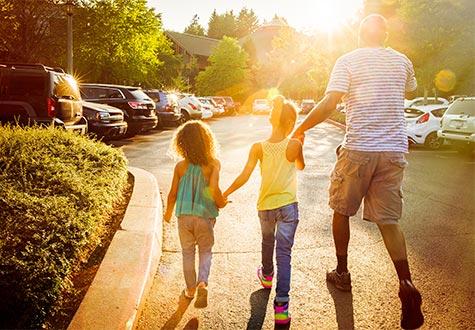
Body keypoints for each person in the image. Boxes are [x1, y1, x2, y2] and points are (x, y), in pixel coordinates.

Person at [293, 14, 424, 330]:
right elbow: (408, 91)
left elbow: (329, 103)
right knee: (389, 221)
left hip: (359, 149)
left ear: (359, 35)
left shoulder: (347, 60)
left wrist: (300, 128)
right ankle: (405, 282)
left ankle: (342, 272)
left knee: (341, 210)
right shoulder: (402, 61)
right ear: (386, 35)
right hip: (393, 150)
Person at [223, 97, 305, 326]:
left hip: (266, 206)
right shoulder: (294, 144)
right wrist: (301, 144)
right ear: (291, 122)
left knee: (267, 242)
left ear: (271, 119)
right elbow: (299, 166)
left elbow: (245, 174)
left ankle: (267, 276)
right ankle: (281, 307)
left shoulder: (258, 147)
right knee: (284, 254)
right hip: (288, 205)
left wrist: (225, 192)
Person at [164, 120, 227, 308]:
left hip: (183, 217)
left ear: (182, 143)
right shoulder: (212, 164)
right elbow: (215, 191)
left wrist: (167, 213)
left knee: (187, 252)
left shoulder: (180, 167)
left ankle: (190, 289)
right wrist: (222, 203)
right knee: (206, 250)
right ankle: (202, 282)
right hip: (205, 217)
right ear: (207, 142)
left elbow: (173, 193)